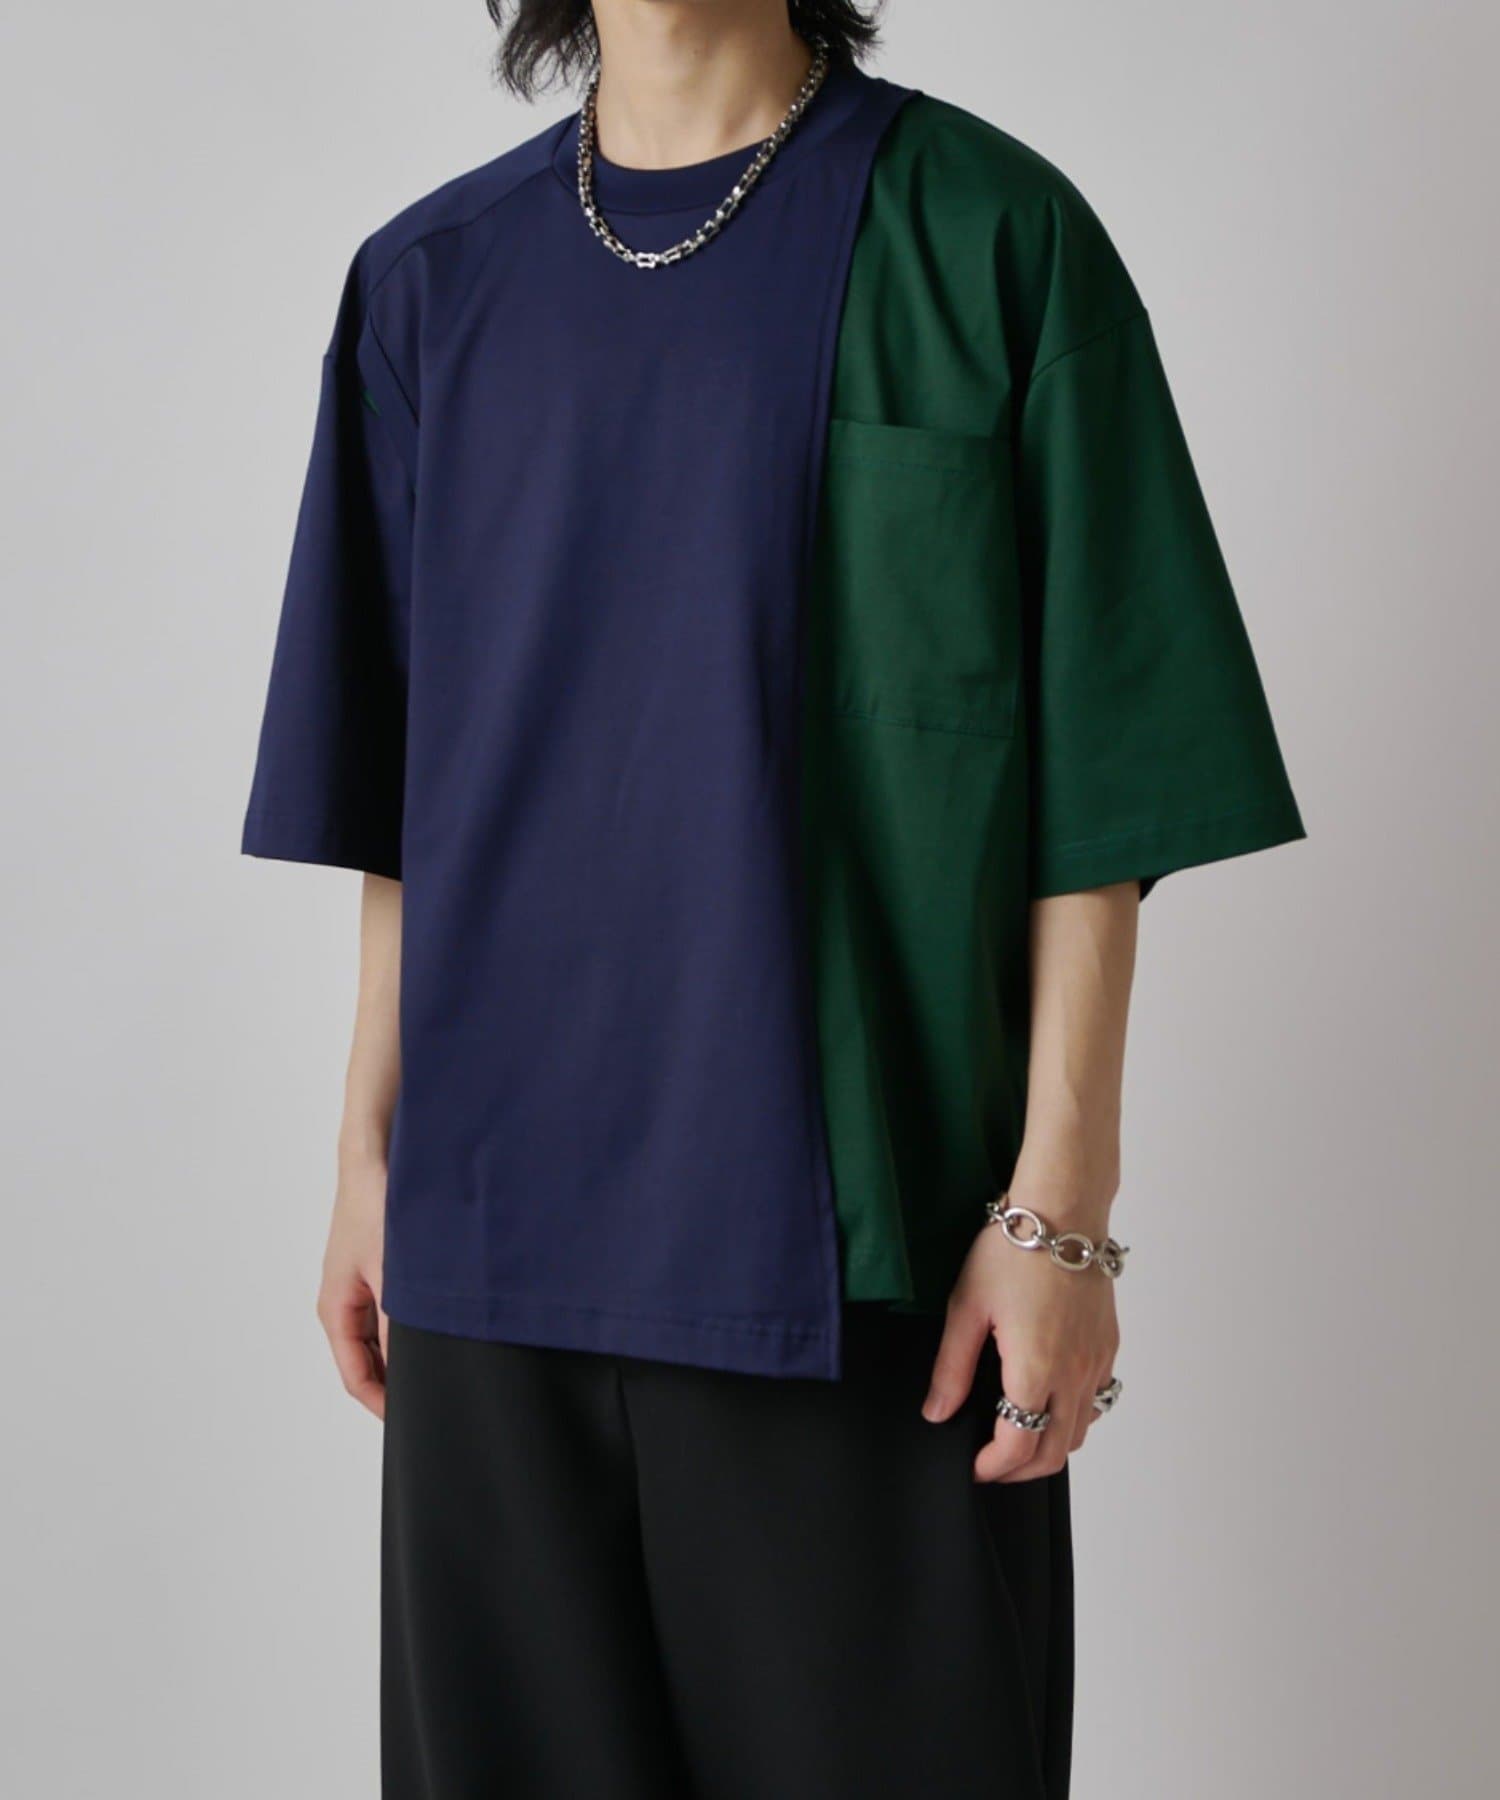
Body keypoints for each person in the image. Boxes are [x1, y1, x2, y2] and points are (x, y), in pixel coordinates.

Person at [243, 2, 1303, 1794]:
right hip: (495, 1274)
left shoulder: (988, 236)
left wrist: (1062, 1214)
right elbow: (411, 800)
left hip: (872, 1279)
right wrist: (366, 1159)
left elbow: (1106, 785)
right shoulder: (429, 286)